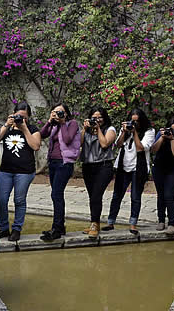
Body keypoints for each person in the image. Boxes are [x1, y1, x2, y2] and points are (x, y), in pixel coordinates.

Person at [103, 108, 155, 234]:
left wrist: (135, 132)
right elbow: (119, 144)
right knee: (117, 195)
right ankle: (110, 222)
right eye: (132, 121)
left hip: (139, 168)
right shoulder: (125, 129)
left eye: (137, 122)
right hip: (123, 165)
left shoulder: (149, 131)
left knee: (135, 196)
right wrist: (124, 132)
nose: (134, 124)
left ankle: (133, 224)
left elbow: (141, 148)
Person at [0, 101, 41, 242]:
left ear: (28, 118)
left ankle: (16, 229)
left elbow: (36, 146)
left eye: (25, 117)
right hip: (6, 170)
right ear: (13, 114)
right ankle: (3, 228)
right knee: (1, 200)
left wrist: (24, 128)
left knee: (19, 200)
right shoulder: (8, 128)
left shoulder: (33, 129)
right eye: (18, 116)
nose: (21, 119)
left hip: (25, 172)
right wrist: (6, 125)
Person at [39, 103, 81, 241]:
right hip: (53, 163)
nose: (58, 115)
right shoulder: (54, 125)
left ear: (67, 114)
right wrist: (49, 121)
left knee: (56, 194)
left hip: (65, 163)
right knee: (56, 195)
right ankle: (60, 227)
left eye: (61, 112)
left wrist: (62, 123)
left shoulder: (72, 123)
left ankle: (56, 229)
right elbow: (41, 135)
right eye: (55, 112)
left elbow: (68, 139)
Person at [80, 106, 117, 239]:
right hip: (88, 166)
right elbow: (79, 142)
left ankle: (95, 224)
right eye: (94, 118)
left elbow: (104, 144)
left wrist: (98, 129)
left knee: (96, 195)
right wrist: (84, 129)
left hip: (104, 166)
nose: (97, 120)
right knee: (92, 196)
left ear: (104, 117)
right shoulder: (87, 130)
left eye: (99, 117)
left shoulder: (110, 129)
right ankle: (93, 223)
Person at [151, 118, 174, 235]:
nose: (172, 131)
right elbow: (153, 150)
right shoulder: (161, 134)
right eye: (170, 129)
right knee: (161, 195)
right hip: (159, 168)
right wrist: (162, 137)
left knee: (169, 195)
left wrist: (172, 139)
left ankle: (172, 223)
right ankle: (161, 220)